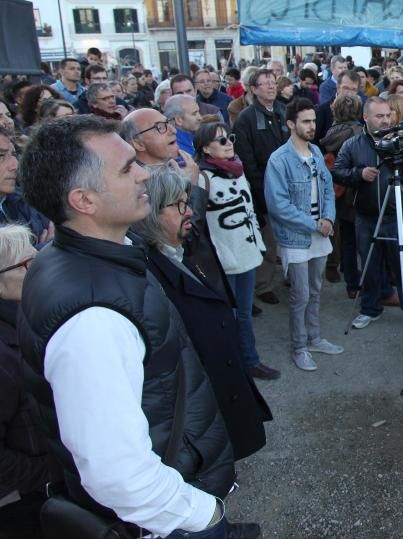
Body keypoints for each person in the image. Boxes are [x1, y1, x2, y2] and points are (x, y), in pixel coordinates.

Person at [17, 116, 259, 537]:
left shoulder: (98, 255)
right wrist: (203, 514)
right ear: (84, 200)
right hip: (164, 522)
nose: (145, 174)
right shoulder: (92, 323)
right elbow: (117, 474)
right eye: (128, 168)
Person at [131, 165, 273, 458]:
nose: (189, 212)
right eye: (178, 205)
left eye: (187, 201)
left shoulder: (181, 252)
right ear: (151, 212)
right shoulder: (150, 272)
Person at [333, 98, 403, 331]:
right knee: (369, 266)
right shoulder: (353, 144)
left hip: (398, 215)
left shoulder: (401, 138)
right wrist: (358, 173)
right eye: (379, 116)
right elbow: (338, 171)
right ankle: (370, 309)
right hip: (366, 217)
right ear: (366, 118)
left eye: (388, 115)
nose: (385, 120)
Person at [263, 98, 344, 371]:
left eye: (313, 120)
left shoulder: (317, 152)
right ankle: (299, 347)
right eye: (306, 121)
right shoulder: (279, 160)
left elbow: (327, 189)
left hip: (320, 232)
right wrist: (315, 224)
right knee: (300, 295)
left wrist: (329, 218)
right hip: (296, 237)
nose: (312, 126)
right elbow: (278, 205)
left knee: (316, 289)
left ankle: (314, 338)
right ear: (291, 124)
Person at [194, 122, 279, 380]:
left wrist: (258, 245)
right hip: (223, 258)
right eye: (220, 141)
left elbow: (249, 208)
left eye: (229, 138)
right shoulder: (201, 177)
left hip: (247, 252)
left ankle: (250, 360)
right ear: (205, 148)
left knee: (243, 313)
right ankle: (229, 367)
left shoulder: (237, 170)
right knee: (226, 315)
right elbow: (197, 223)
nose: (228, 143)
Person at [0, 224, 50, 537]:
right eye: (30, 265)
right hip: (23, 506)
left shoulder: (30, 320)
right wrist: (49, 472)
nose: (42, 272)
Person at [234, 68, 288, 306]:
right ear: (253, 89)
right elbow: (245, 159)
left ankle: (291, 275)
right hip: (263, 186)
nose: (271, 86)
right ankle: (263, 284)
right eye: (265, 83)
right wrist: (260, 192)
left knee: (290, 234)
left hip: (288, 184)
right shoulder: (246, 118)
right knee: (268, 240)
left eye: (273, 82)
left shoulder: (283, 111)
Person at [319, 94, 365, 297]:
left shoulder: (331, 133)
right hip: (356, 191)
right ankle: (361, 282)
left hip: (337, 192)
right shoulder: (358, 133)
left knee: (346, 238)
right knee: (361, 239)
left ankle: (350, 283)